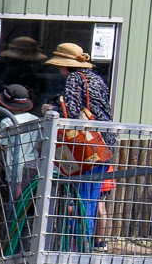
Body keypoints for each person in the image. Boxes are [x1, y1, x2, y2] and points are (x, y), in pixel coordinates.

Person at [46, 42, 112, 249]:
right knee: (91, 199)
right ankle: (82, 246)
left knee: (82, 200)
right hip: (104, 145)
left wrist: (50, 108)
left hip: (85, 147)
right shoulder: (96, 78)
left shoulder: (75, 79)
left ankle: (76, 247)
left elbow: (72, 112)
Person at [0, 85, 42, 260]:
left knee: (17, 204)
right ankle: (26, 240)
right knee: (30, 203)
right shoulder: (36, 120)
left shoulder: (7, 122)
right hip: (34, 164)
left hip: (16, 166)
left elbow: (5, 147)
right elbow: (39, 144)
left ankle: (15, 242)